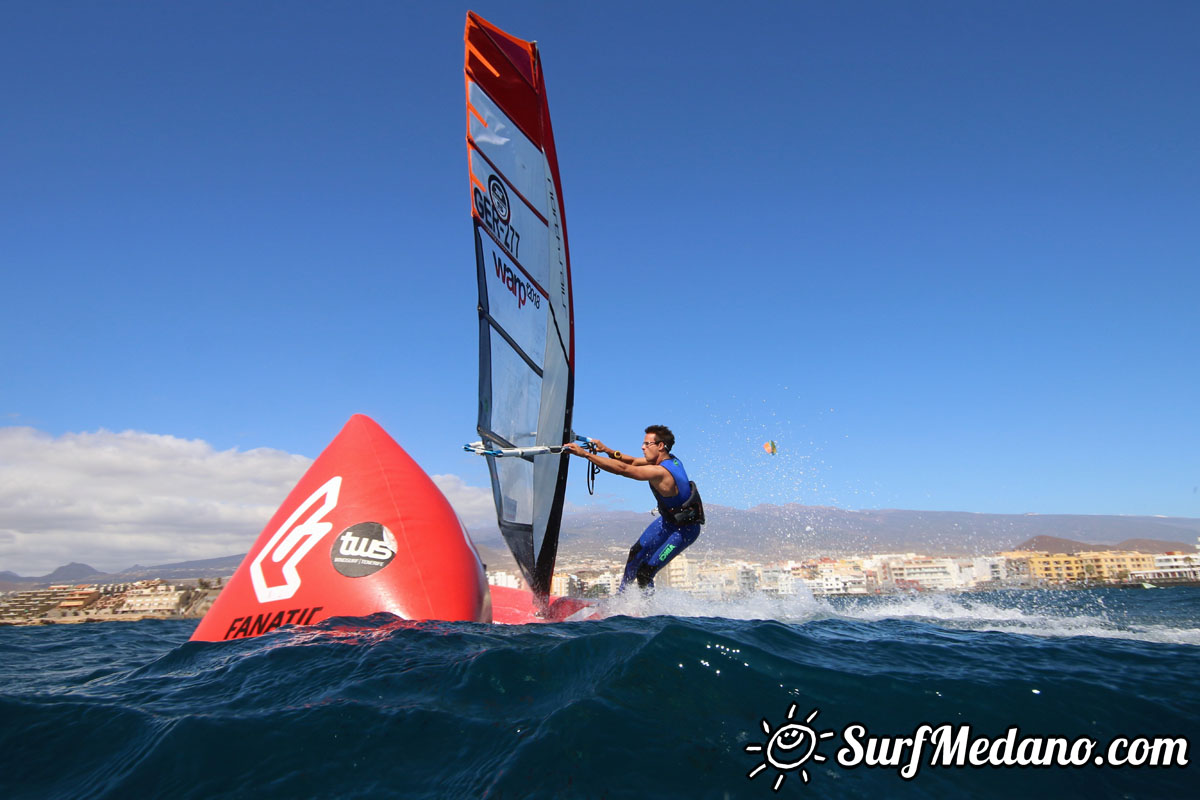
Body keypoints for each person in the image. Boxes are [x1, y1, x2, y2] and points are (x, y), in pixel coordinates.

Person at [564, 425, 704, 591]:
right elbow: (631, 461)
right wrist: (606, 449)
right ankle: (622, 599)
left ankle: (647, 611)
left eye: (646, 444)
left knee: (645, 572)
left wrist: (585, 454)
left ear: (660, 446)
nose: (642, 447)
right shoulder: (670, 459)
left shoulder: (660, 472)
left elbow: (624, 469)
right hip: (668, 522)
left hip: (684, 531)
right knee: (635, 553)